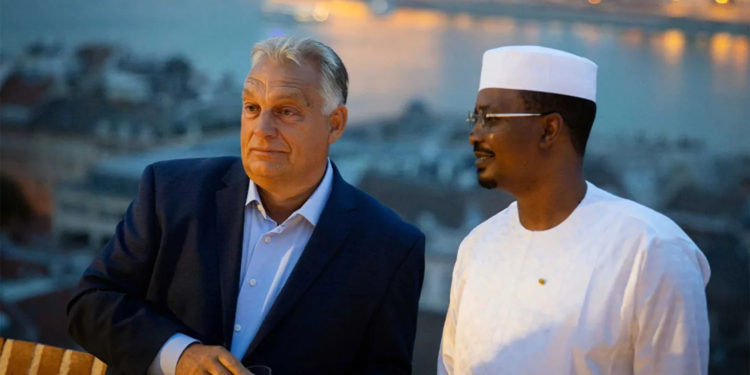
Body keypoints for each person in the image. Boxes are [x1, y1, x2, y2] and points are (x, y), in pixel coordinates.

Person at [67, 36, 425, 375]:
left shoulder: (389, 248)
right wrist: (179, 356)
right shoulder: (170, 192)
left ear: (335, 124)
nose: (262, 128)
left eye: (286, 111)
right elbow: (91, 304)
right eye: (252, 108)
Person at [438, 45, 710, 374]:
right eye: (475, 119)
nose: (474, 135)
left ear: (549, 130)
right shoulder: (478, 246)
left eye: (490, 119)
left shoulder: (651, 251)